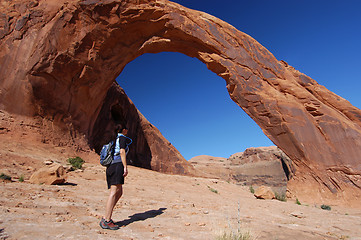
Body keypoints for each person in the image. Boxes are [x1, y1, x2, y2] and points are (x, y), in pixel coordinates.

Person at [99, 125, 132, 230]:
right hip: (117, 166)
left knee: (119, 192)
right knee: (113, 193)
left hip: (110, 167)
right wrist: (125, 167)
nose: (127, 130)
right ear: (123, 130)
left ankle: (107, 216)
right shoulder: (122, 137)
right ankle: (106, 220)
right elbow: (122, 152)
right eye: (126, 128)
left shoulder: (113, 139)